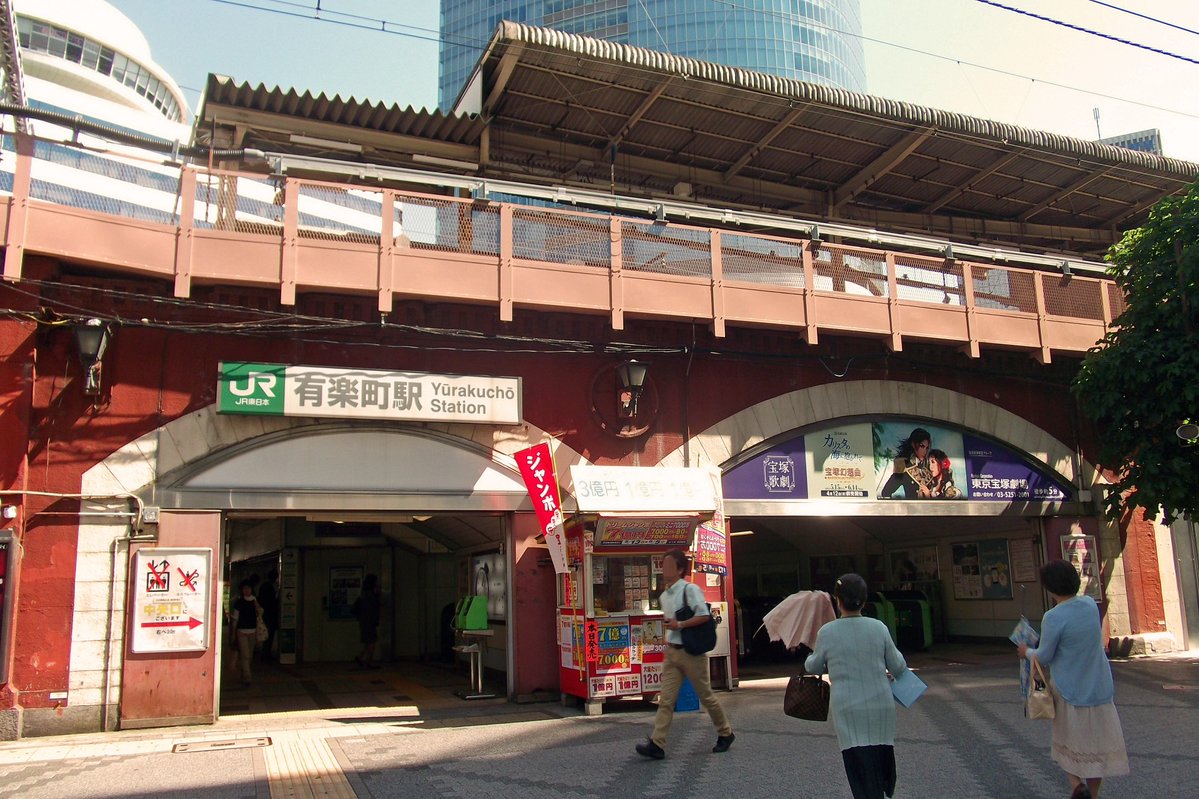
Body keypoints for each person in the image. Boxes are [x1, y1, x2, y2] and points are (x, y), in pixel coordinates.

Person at [1017, 560, 1128, 799]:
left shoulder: (1053, 617)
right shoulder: (1089, 605)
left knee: (1067, 743)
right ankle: (1094, 794)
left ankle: (1077, 785)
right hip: (1098, 687)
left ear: (1050, 588)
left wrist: (1025, 651)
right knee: (1096, 748)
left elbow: (1044, 656)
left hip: (1069, 690)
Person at [805, 573, 909, 799]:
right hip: (881, 705)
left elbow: (813, 667)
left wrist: (812, 651)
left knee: (858, 764)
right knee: (881, 755)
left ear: (837, 600)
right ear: (864, 600)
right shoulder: (878, 628)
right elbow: (899, 666)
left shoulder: (827, 632)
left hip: (848, 709)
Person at [635, 548, 734, 760]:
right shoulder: (664, 596)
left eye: (669, 565)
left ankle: (725, 732)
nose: (665, 569)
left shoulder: (690, 590)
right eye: (664, 565)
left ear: (680, 569)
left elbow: (704, 616)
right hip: (672, 652)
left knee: (706, 696)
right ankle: (657, 743)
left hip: (691, 653)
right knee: (666, 700)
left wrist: (679, 624)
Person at [878, 427, 933, 499]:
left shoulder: (929, 467)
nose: (924, 451)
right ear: (913, 444)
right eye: (922, 446)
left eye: (927, 448)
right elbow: (886, 492)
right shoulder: (903, 465)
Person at [229, 579, 261, 686]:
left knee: (250, 655)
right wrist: (233, 633)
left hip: (253, 631)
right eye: (244, 589)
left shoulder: (254, 601)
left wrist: (256, 603)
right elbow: (235, 619)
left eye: (248, 588)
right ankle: (247, 676)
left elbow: (259, 614)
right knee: (245, 654)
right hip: (241, 631)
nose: (247, 590)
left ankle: (244, 671)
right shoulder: (239, 602)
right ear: (242, 590)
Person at [355, 573, 382, 669]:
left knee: (368, 641)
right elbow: (375, 606)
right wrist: (377, 594)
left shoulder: (364, 593)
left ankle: (362, 658)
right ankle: (366, 661)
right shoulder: (370, 594)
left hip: (364, 620)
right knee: (371, 641)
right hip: (369, 621)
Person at [257, 569, 280, 662]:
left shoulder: (263, 586)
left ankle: (265, 654)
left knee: (267, 636)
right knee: (269, 636)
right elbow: (272, 602)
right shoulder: (269, 587)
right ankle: (266, 655)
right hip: (270, 615)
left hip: (265, 614)